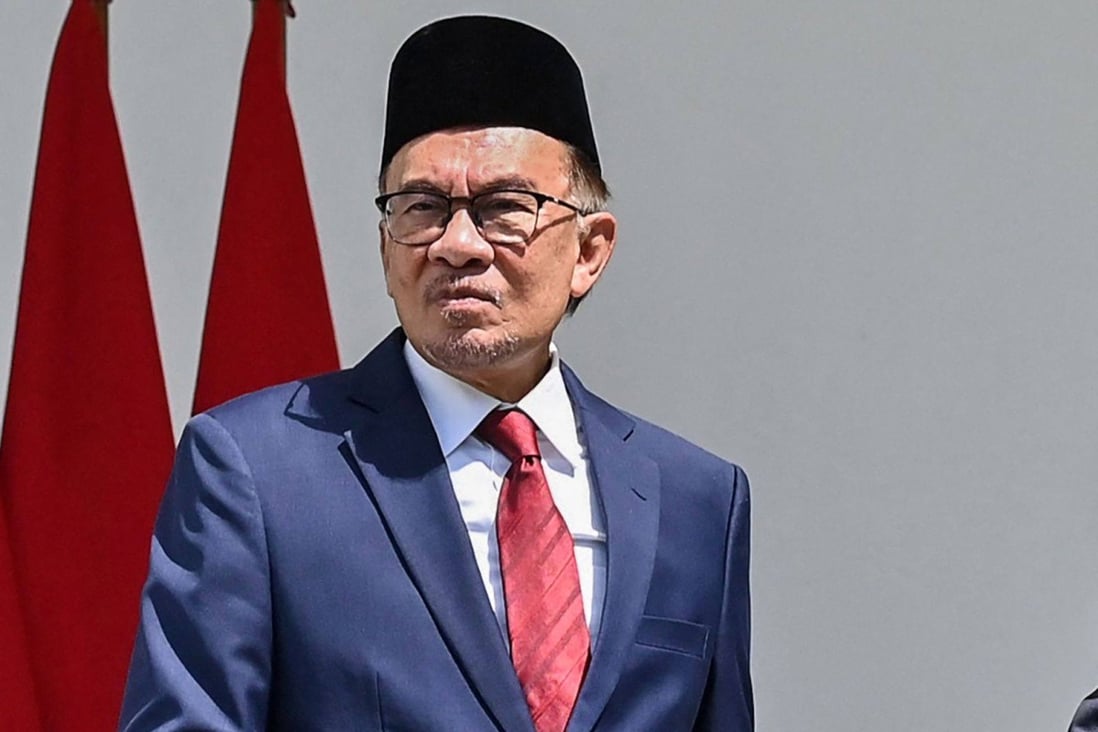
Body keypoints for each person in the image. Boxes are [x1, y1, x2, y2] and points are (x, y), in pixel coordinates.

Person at [120, 15, 753, 732]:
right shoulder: (261, 472)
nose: (457, 244)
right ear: (386, 248)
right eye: (422, 208)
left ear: (589, 252)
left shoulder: (697, 501)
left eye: (504, 208)